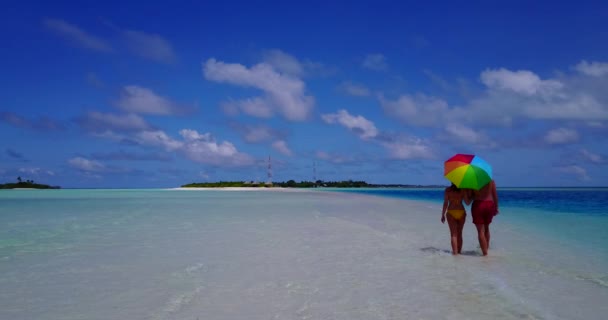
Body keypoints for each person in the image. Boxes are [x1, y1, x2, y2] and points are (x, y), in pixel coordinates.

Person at [471, 180, 499, 256]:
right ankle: (486, 248)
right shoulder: (491, 181)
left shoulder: (473, 182)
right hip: (489, 204)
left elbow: (470, 198)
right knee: (486, 228)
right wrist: (496, 207)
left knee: (480, 231)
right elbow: (495, 195)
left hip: (478, 205)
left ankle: (485, 254)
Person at [441, 183, 471, 255]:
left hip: (451, 212)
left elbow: (445, 203)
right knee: (460, 234)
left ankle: (455, 254)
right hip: (461, 212)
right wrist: (471, 196)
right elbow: (467, 203)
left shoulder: (447, 190)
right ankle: (459, 252)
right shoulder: (463, 190)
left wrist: (443, 214)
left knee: (453, 235)